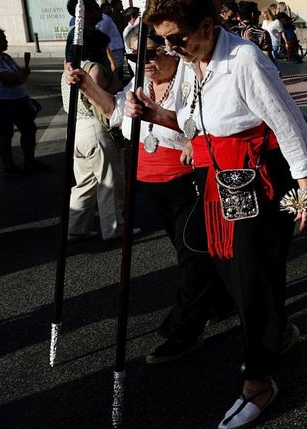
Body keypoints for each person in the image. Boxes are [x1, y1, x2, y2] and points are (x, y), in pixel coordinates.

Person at [126, 0, 307, 429]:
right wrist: (156, 114)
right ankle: (276, 331)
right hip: (215, 180)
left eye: (178, 38)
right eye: (164, 39)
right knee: (223, 268)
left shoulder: (244, 60)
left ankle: (259, 380)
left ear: (209, 25)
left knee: (253, 279)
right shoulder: (195, 62)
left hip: (256, 181)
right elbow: (198, 125)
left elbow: (288, 123)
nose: (170, 48)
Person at [66, 30, 232, 361]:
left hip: (190, 179)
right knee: (190, 250)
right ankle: (222, 301)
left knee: (192, 255)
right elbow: (117, 115)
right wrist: (87, 85)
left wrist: (192, 141)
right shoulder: (138, 84)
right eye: (134, 56)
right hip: (153, 181)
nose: (146, 62)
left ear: (173, 50)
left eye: (153, 53)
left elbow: (209, 122)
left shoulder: (192, 80)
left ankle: (185, 329)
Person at [59, 2, 128, 241]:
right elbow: (100, 99)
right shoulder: (94, 68)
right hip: (95, 129)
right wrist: (116, 82)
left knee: (85, 182)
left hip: (75, 130)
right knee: (110, 180)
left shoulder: (68, 71)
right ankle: (114, 228)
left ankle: (76, 228)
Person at [0, 26, 47, 177]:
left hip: (17, 99)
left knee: (29, 129)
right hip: (0, 101)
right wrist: (20, 75)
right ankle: (9, 167)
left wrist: (22, 76)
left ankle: (30, 161)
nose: (6, 41)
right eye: (1, 39)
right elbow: (7, 77)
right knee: (5, 134)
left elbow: (18, 78)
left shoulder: (5, 57)